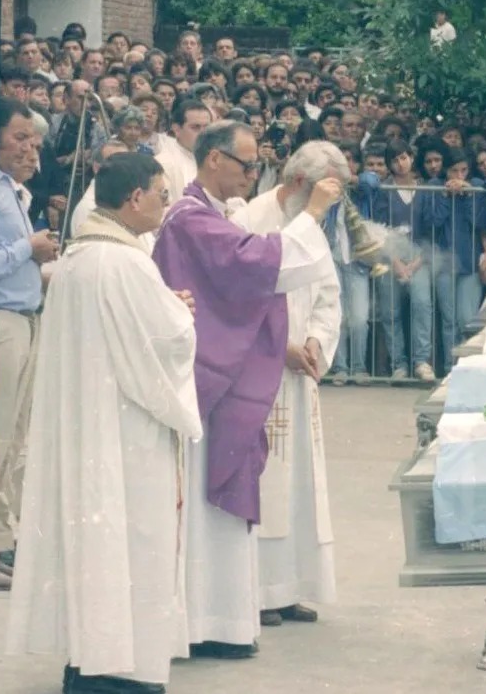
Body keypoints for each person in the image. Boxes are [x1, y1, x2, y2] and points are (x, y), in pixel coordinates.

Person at [6, 153, 202, 694]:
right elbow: (166, 346)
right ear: (134, 198)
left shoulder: (79, 257)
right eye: (162, 194)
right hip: (127, 435)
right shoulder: (127, 262)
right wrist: (180, 312)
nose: (166, 204)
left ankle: (89, 660)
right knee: (131, 542)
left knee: (97, 547)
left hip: (88, 426)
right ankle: (124, 671)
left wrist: (165, 306)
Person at [150, 120, 338, 659]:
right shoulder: (191, 218)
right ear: (213, 160)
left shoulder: (212, 214)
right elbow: (255, 267)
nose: (251, 174)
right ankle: (208, 622)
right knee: (212, 499)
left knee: (224, 505)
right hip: (212, 378)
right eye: (245, 164)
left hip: (226, 373)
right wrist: (315, 215)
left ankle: (223, 619)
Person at [242, 142, 343, 627]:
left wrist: (317, 342)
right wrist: (281, 346)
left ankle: (289, 588)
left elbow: (327, 292)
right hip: (261, 371)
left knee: (298, 483)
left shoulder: (312, 223)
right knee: (265, 482)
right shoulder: (253, 219)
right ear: (301, 182)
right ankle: (258, 591)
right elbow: (241, 298)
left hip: (302, 372)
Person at [0, 99, 58, 592]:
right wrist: (28, 249)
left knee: (13, 439)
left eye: (33, 140)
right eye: (18, 138)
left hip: (26, 317)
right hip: (1, 322)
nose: (28, 148)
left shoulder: (18, 194)